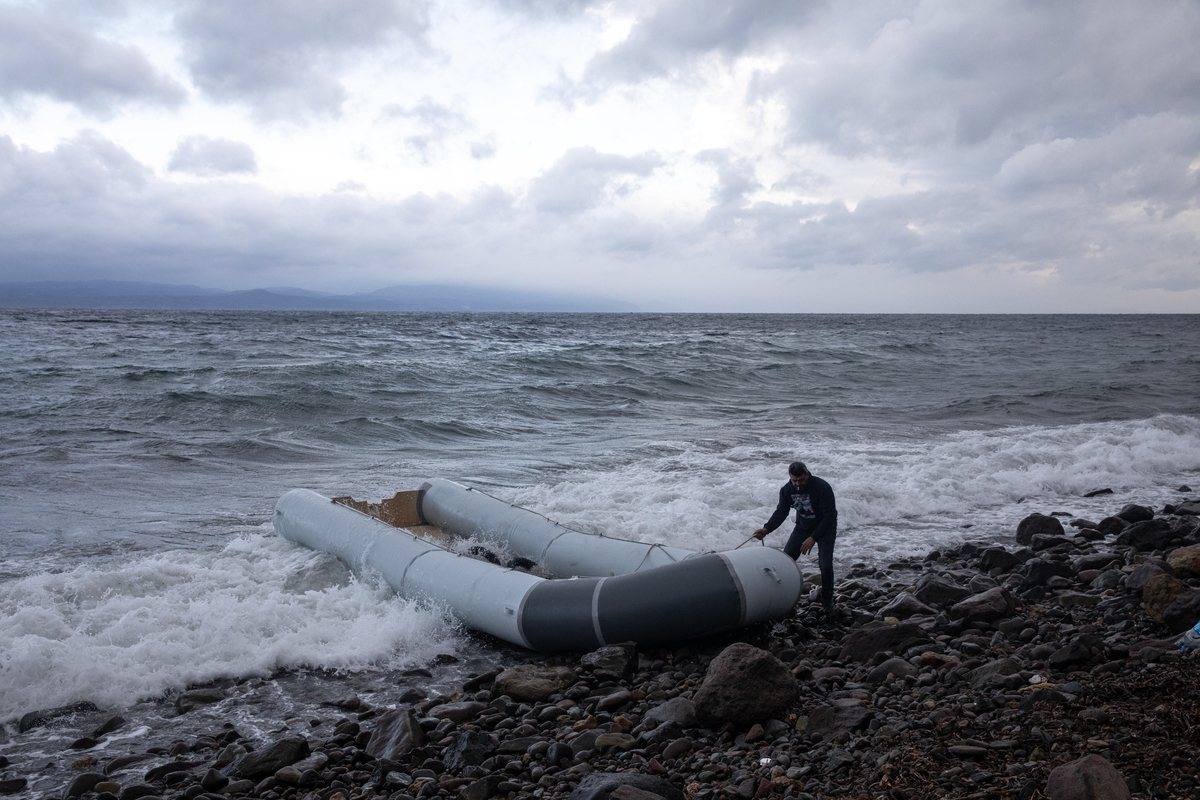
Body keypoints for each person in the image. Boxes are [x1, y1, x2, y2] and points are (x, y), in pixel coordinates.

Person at [753, 461, 838, 619]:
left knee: (825, 565)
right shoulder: (787, 490)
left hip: (826, 528)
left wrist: (813, 538)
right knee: (786, 560)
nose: (798, 484)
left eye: (801, 480)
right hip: (802, 528)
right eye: (794, 481)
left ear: (807, 474)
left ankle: (827, 600)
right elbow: (781, 512)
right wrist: (766, 529)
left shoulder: (822, 487)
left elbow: (829, 516)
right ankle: (782, 598)